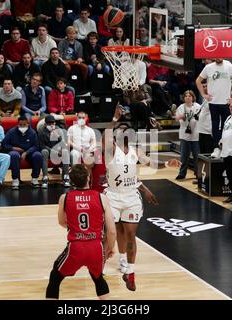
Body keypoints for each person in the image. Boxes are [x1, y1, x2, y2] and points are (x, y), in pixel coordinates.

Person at [102, 106, 179, 291]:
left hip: (130, 196)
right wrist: (114, 118)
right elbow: (105, 136)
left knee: (129, 233)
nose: (123, 131)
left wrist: (167, 163)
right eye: (120, 129)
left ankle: (130, 271)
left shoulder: (136, 151)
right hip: (112, 195)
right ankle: (105, 263)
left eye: (125, 129)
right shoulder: (111, 150)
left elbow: (151, 164)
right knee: (112, 232)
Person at [45, 164, 116, 300]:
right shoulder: (102, 198)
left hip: (76, 247)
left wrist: (75, 227)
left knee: (55, 277)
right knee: (98, 277)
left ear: (72, 181)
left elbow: (61, 222)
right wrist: (110, 247)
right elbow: (112, 231)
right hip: (96, 247)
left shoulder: (64, 198)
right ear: (89, 178)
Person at [196, 58, 232, 155]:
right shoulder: (208, 67)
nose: (218, 57)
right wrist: (204, 94)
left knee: (226, 126)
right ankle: (217, 147)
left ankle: (225, 145)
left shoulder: (229, 65)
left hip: (225, 102)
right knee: (215, 126)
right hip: (213, 102)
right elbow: (198, 81)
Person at [2, 116, 42, 189]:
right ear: (17, 124)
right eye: (20, 125)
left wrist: (26, 152)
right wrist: (14, 148)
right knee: (13, 155)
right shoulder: (11, 132)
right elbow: (4, 145)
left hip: (29, 152)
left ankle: (35, 179)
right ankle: (15, 179)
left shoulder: (32, 132)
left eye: (24, 125)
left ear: (28, 124)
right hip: (16, 151)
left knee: (38, 155)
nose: (22, 126)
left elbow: (36, 146)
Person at [174, 90, 201, 181]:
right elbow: (177, 118)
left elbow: (201, 118)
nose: (188, 97)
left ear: (193, 97)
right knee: (184, 156)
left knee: (197, 156)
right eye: (186, 96)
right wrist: (181, 116)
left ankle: (198, 174)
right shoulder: (181, 107)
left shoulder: (198, 107)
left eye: (189, 96)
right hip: (184, 135)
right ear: (184, 98)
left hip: (195, 135)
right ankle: (182, 173)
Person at [39, 114, 70, 188]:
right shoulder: (41, 131)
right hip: (48, 151)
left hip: (58, 151)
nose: (51, 125)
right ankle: (45, 178)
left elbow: (64, 144)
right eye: (49, 123)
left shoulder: (59, 130)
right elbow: (42, 145)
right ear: (45, 124)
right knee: (44, 152)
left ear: (55, 123)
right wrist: (54, 152)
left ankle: (66, 177)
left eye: (52, 123)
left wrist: (58, 137)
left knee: (65, 151)